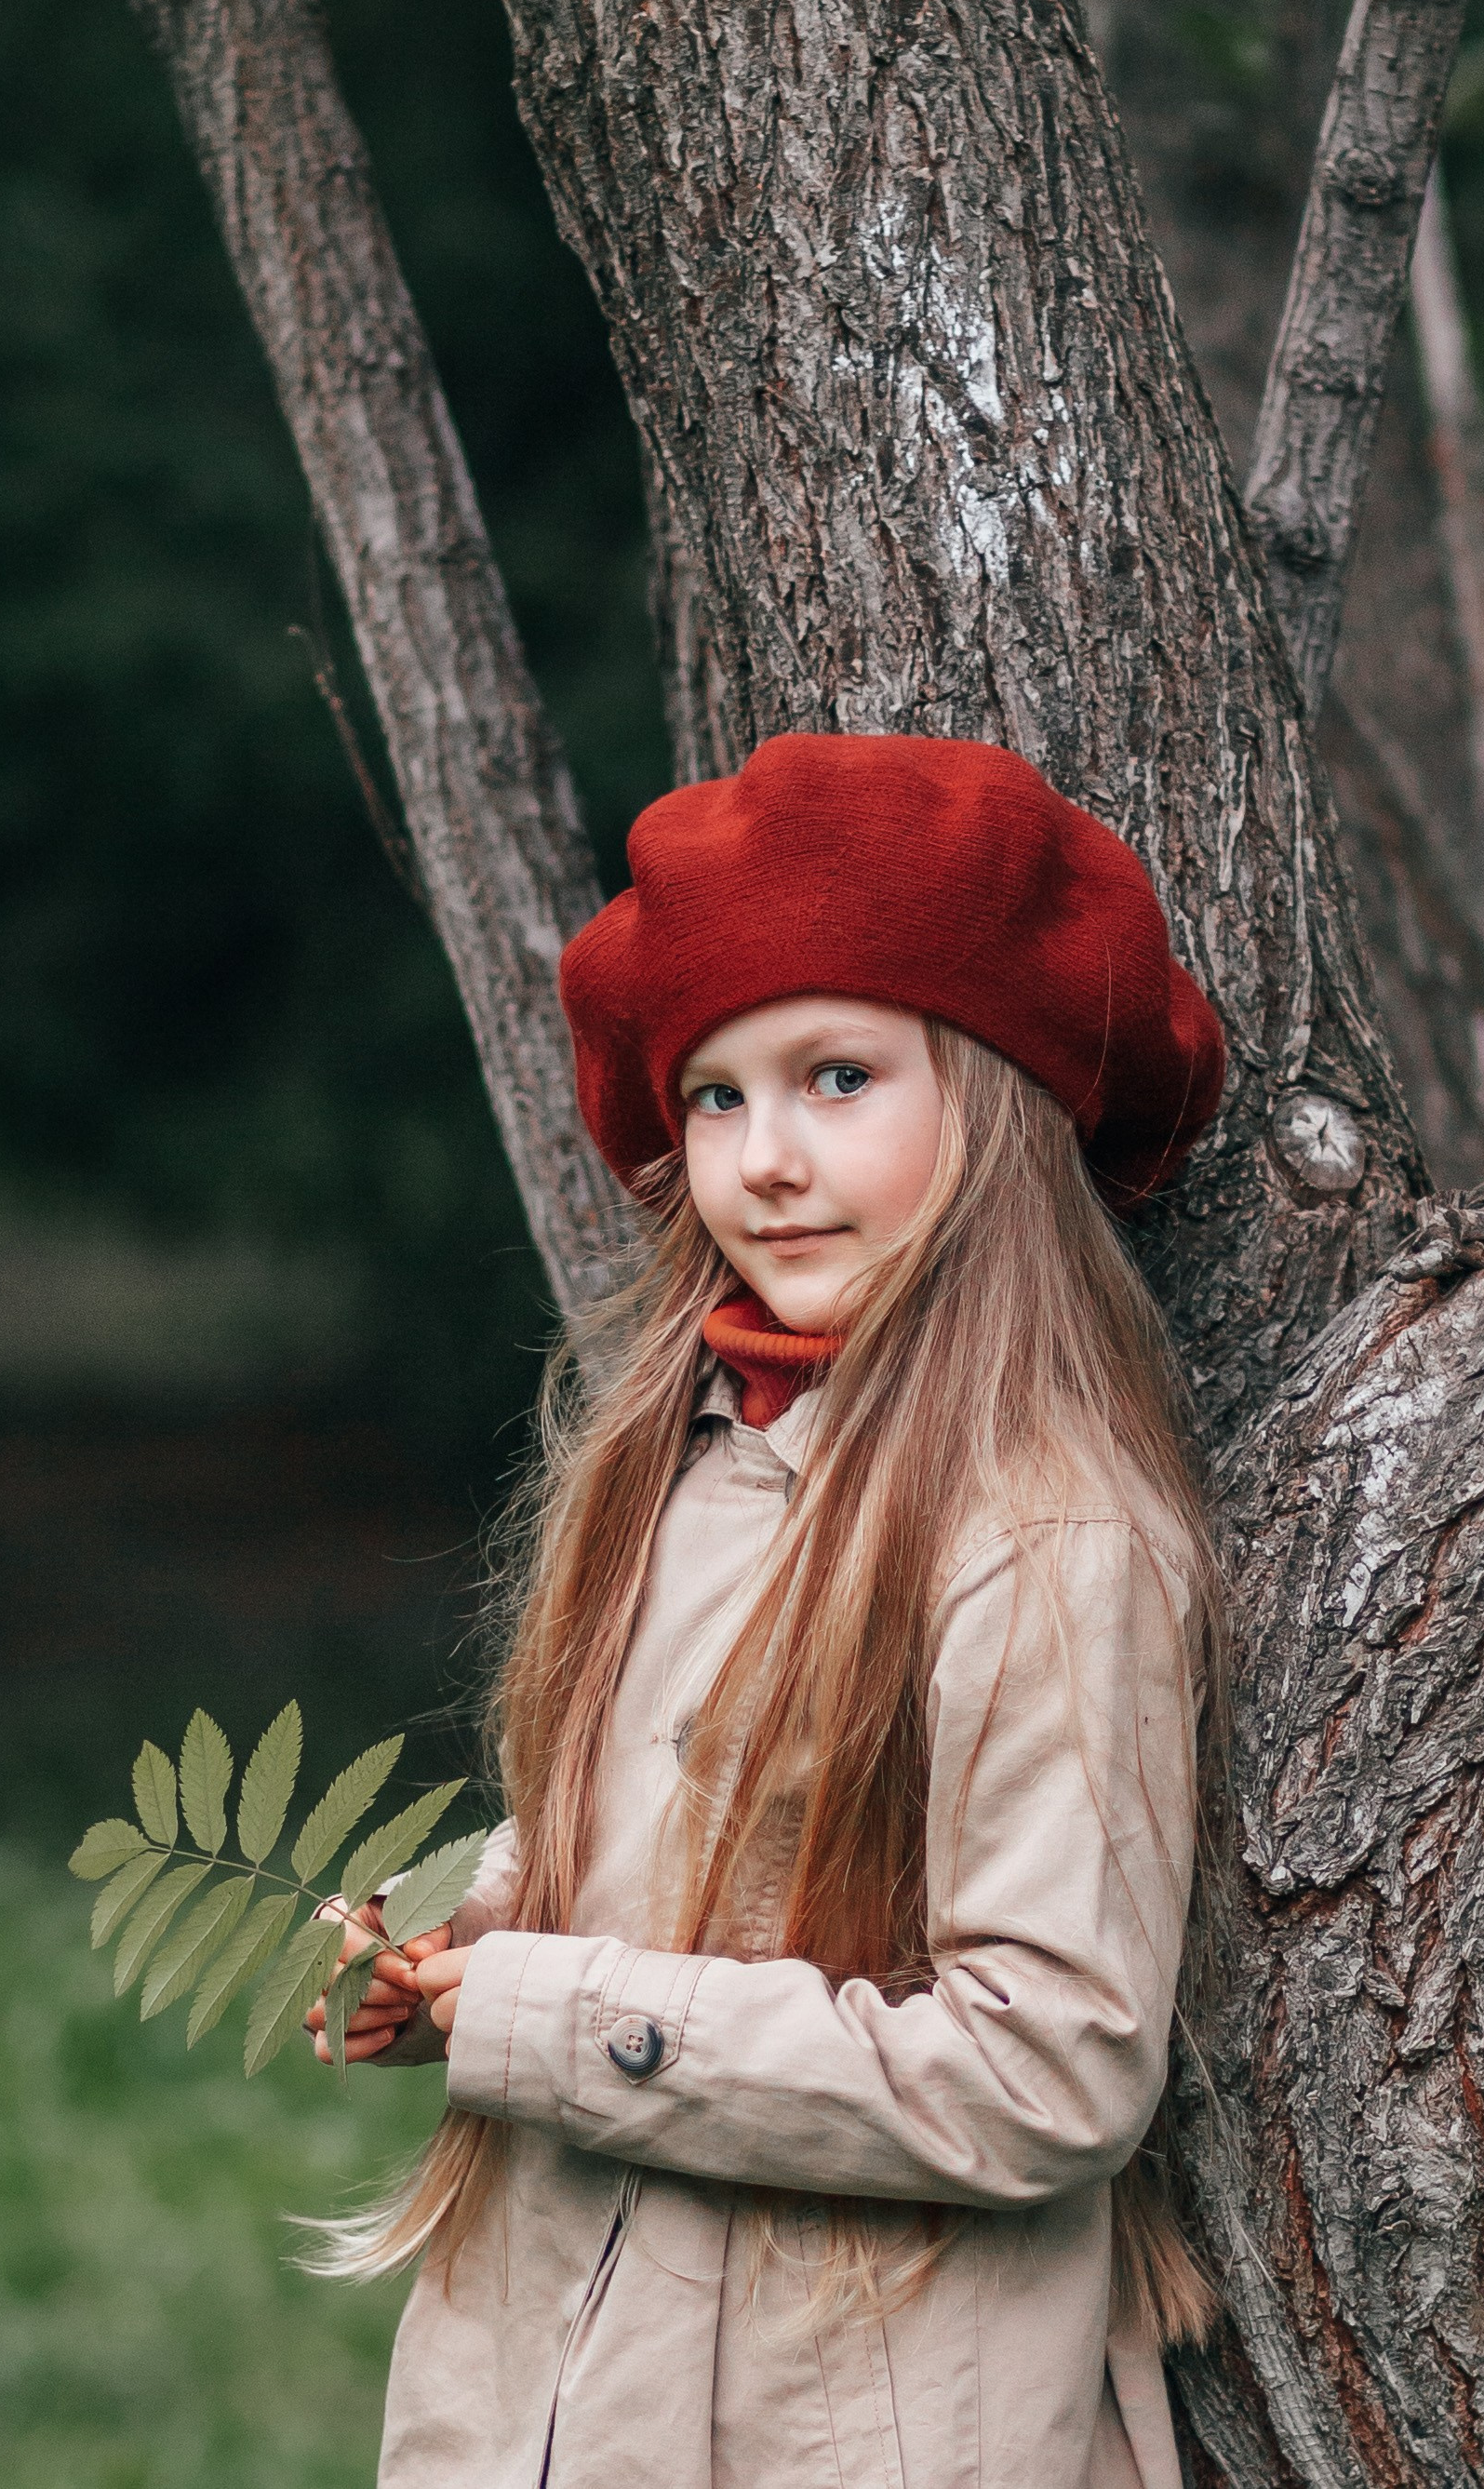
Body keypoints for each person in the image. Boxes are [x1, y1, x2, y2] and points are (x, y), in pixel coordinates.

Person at [305, 732, 1225, 2489]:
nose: (765, 1158)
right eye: (717, 1095)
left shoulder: (1044, 1535)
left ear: (1009, 1098)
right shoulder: (691, 1456)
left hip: (845, 2412)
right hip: (555, 2375)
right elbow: (696, 1834)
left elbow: (1050, 2066)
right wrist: (454, 1933)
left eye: (836, 1076)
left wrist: (545, 2014)